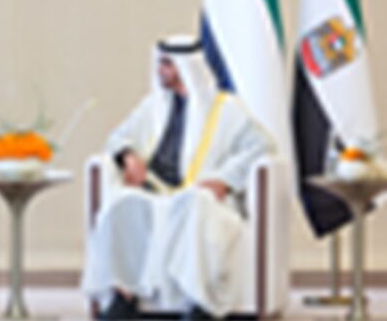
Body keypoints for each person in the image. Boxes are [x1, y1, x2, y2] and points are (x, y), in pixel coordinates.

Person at [81, 36, 276, 320]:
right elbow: (117, 137)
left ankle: (201, 305)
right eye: (160, 63)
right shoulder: (152, 108)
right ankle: (124, 298)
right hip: (155, 193)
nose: (159, 70)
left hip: (201, 195)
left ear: (187, 67)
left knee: (196, 205)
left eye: (167, 64)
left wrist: (224, 179)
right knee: (121, 203)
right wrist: (128, 155)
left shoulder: (226, 110)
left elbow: (261, 146)